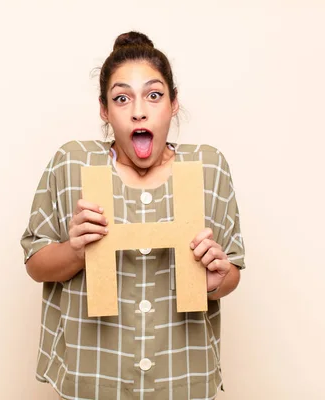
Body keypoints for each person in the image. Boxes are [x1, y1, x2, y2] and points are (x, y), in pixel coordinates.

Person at [21, 31, 246, 399]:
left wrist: (215, 279)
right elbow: (35, 264)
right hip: (92, 375)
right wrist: (76, 250)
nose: (139, 110)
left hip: (181, 376)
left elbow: (231, 271)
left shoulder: (209, 166)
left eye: (154, 95)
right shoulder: (73, 162)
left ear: (173, 103)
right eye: (122, 98)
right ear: (104, 110)